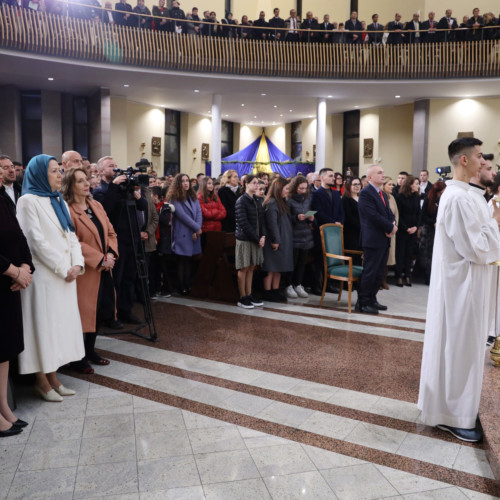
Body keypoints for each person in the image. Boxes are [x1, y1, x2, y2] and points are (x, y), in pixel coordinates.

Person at [418, 137, 500, 443]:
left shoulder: (467, 195)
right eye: (479, 156)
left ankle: (454, 410)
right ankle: (454, 415)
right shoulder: (460, 198)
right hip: (462, 288)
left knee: (461, 349)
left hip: (468, 286)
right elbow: (477, 248)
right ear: (464, 160)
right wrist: (495, 221)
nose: (483, 161)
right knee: (460, 350)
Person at [17, 155, 85, 402]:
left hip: (65, 276)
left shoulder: (59, 201)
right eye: (54, 171)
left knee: (58, 329)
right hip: (45, 276)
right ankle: (41, 381)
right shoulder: (27, 201)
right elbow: (34, 241)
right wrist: (62, 267)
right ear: (38, 174)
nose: (60, 175)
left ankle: (54, 377)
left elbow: (71, 236)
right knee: (42, 329)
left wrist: (77, 263)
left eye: (60, 170)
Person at [61, 167, 119, 373]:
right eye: (79, 181)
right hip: (86, 270)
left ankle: (90, 350)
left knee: (99, 310)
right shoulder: (67, 209)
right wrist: (99, 258)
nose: (86, 183)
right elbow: (72, 241)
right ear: (69, 185)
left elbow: (111, 232)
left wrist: (110, 254)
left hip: (104, 267)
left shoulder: (96, 205)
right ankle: (78, 358)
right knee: (83, 313)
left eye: (86, 179)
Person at [0, 167, 34, 436]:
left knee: (4, 351)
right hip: (3, 276)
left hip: (8, 284)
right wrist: (13, 270)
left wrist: (25, 265)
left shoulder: (3, 197)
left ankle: (3, 407)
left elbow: (19, 235)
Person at [356, 165, 397, 314]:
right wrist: (389, 227)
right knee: (370, 272)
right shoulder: (366, 193)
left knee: (379, 272)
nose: (383, 175)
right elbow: (372, 216)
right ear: (370, 177)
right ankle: (362, 302)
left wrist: (393, 224)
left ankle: (372, 299)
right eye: (379, 173)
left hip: (383, 238)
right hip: (373, 239)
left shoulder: (382, 193)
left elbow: (389, 214)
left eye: (383, 172)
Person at [165, 173, 202, 295]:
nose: (186, 183)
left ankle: (188, 285)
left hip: (193, 232)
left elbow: (198, 213)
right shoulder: (175, 198)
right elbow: (182, 216)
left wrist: (197, 229)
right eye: (183, 181)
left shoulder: (193, 196)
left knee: (190, 260)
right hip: (183, 233)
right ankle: (181, 287)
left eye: (187, 181)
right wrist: (196, 228)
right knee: (182, 260)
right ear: (178, 184)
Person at [234, 174, 265, 309]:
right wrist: (257, 238)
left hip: (256, 239)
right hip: (245, 239)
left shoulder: (257, 200)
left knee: (251, 267)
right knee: (244, 267)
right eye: (254, 183)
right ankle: (242, 297)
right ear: (246, 184)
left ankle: (249, 293)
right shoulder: (241, 201)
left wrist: (263, 235)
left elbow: (261, 220)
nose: (257, 185)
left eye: (257, 183)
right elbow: (244, 223)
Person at [262, 177, 293, 302]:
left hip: (283, 239)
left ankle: (275, 290)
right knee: (271, 268)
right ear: (279, 188)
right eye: (286, 189)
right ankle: (267, 292)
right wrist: (276, 240)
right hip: (274, 240)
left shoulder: (282, 202)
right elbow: (272, 224)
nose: (287, 191)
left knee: (279, 267)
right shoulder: (272, 203)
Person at [286, 175, 314, 299]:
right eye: (301, 189)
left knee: (302, 263)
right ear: (294, 187)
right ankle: (288, 285)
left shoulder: (307, 199)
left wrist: (311, 218)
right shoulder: (289, 200)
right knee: (292, 262)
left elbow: (310, 214)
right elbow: (286, 219)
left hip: (305, 235)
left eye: (305, 188)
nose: (303, 191)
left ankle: (298, 284)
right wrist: (296, 218)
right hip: (293, 235)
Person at [395, 175, 421, 287]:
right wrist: (406, 228)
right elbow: (398, 215)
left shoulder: (416, 196)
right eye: (416, 184)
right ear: (410, 185)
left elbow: (419, 213)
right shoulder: (400, 197)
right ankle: (399, 276)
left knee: (409, 254)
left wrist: (416, 227)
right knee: (401, 254)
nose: (418, 186)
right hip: (402, 230)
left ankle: (408, 276)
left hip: (413, 229)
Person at [419, 181, 446, 285]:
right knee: (428, 255)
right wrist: (433, 222)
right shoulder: (429, 199)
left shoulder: (443, 199)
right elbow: (423, 216)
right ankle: (428, 277)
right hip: (429, 230)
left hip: (439, 229)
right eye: (441, 192)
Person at [381, 177, 399, 289]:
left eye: (393, 184)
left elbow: (396, 213)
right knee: (381, 258)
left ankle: (384, 279)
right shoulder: (380, 197)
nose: (392, 187)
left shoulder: (392, 197)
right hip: (383, 231)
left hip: (392, 231)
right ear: (383, 186)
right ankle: (378, 280)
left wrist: (395, 225)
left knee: (389, 258)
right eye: (389, 184)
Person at [341, 178, 362, 264]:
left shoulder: (361, 198)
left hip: (361, 232)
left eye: (359, 184)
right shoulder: (345, 199)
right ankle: (350, 276)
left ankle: (358, 276)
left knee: (359, 255)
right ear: (348, 186)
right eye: (354, 184)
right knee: (351, 255)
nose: (357, 186)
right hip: (351, 232)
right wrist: (361, 225)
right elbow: (349, 217)